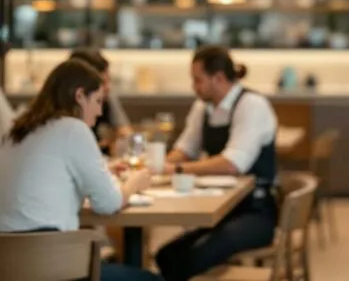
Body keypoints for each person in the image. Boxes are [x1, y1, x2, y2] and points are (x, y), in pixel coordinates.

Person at [0, 59, 158, 281]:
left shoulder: (16, 131)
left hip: (9, 267)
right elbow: (108, 203)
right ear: (80, 95)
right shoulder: (73, 128)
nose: (99, 110)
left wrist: (105, 169)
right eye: (98, 101)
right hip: (53, 265)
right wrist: (135, 183)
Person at [155, 45, 278, 281]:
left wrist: (175, 169)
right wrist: (155, 166)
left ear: (219, 78)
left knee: (194, 257)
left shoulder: (252, 105)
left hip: (255, 212)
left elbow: (233, 163)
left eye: (197, 79)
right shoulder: (203, 107)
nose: (194, 86)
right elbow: (185, 148)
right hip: (221, 209)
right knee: (166, 256)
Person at [69, 48, 133, 154]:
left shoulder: (107, 98)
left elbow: (125, 134)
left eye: (109, 80)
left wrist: (118, 141)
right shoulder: (64, 117)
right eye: (103, 82)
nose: (108, 88)